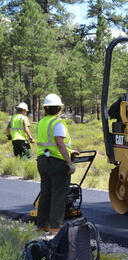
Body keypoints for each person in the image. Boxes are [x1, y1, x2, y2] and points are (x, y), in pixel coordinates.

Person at [36, 94, 76, 235]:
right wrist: (69, 162)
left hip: (42, 161)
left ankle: (42, 226)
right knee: (59, 195)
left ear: (46, 108)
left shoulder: (41, 122)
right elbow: (59, 142)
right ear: (59, 108)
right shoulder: (57, 123)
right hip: (57, 162)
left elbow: (49, 142)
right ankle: (55, 228)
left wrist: (69, 150)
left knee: (46, 193)